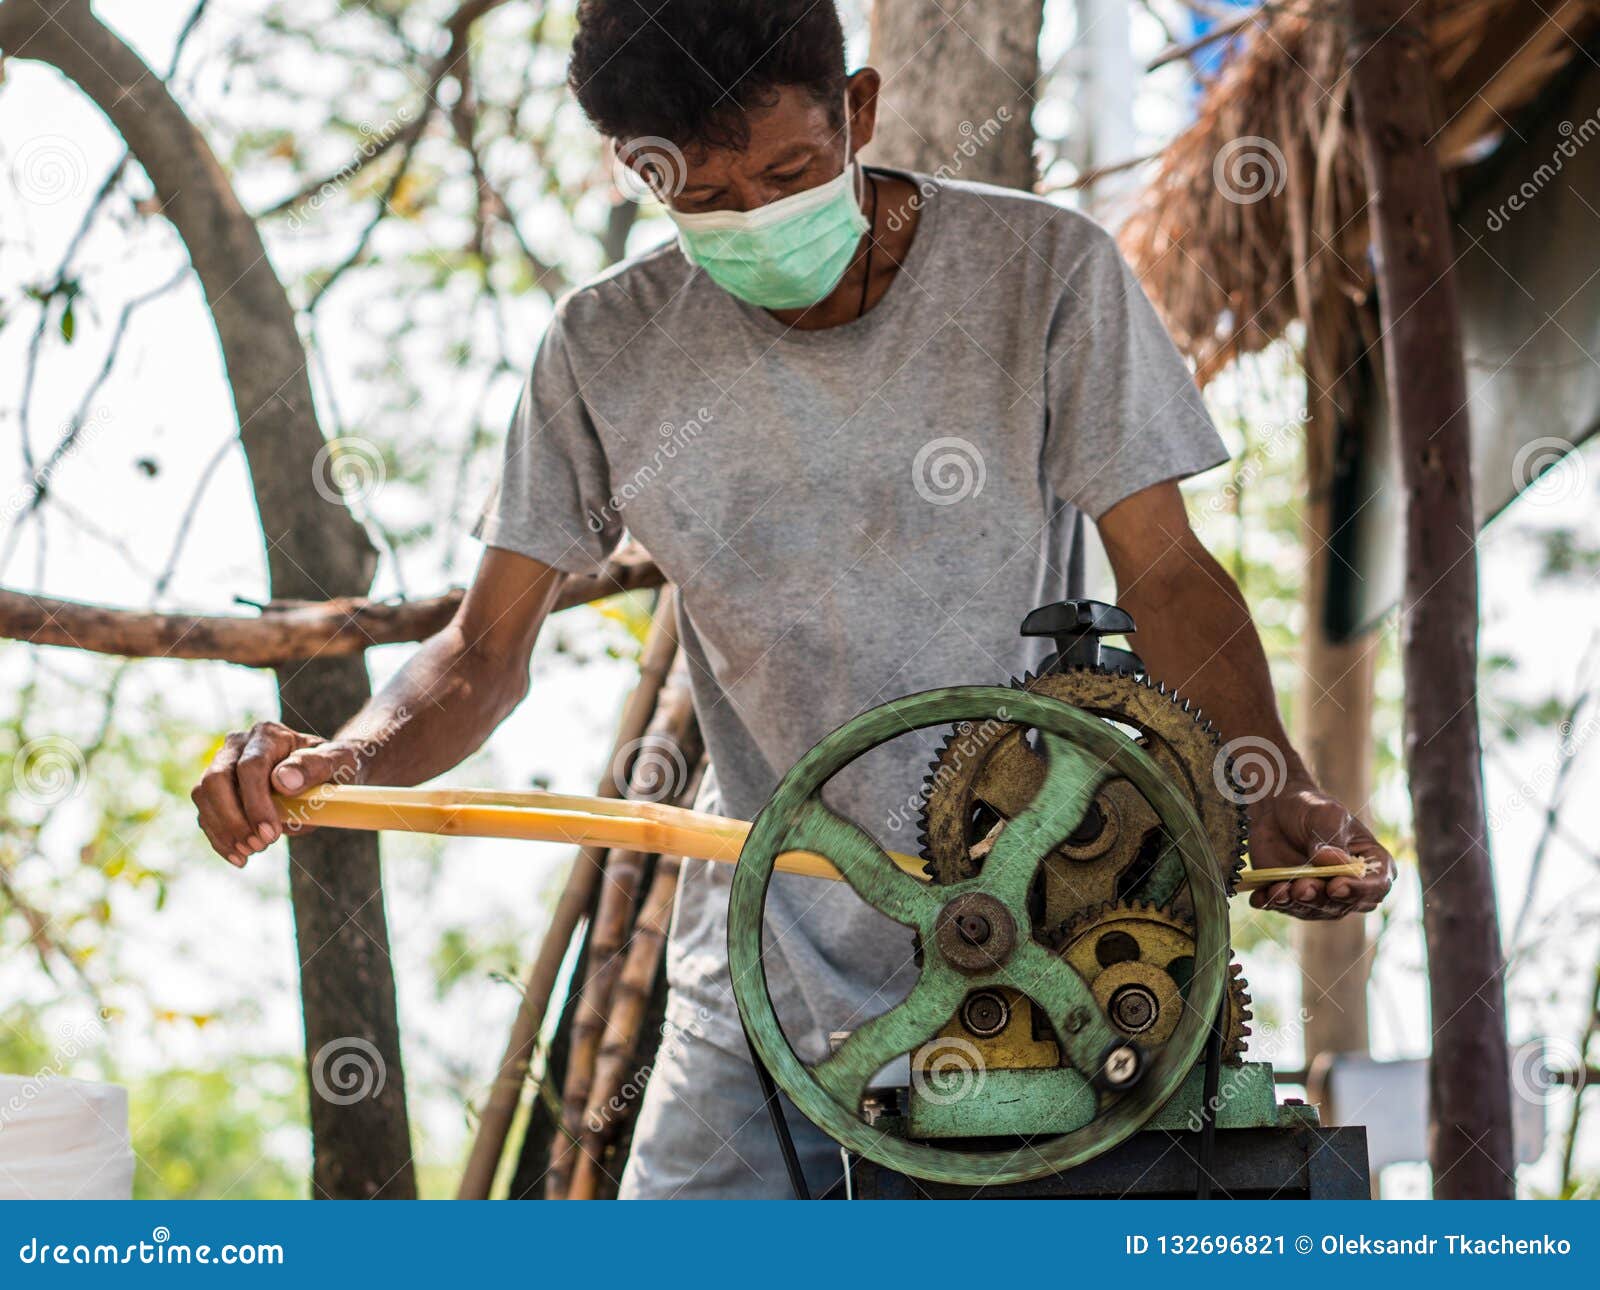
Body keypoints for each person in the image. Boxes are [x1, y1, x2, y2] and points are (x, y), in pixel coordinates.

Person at [191, 0, 1394, 1198]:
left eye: (791, 171)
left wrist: (1267, 776)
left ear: (857, 110)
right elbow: (480, 654)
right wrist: (343, 761)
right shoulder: (604, 350)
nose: (759, 221)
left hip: (1039, 956)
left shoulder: (1040, 273)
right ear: (636, 168)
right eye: (707, 200)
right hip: (763, 979)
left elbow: (1167, 572)